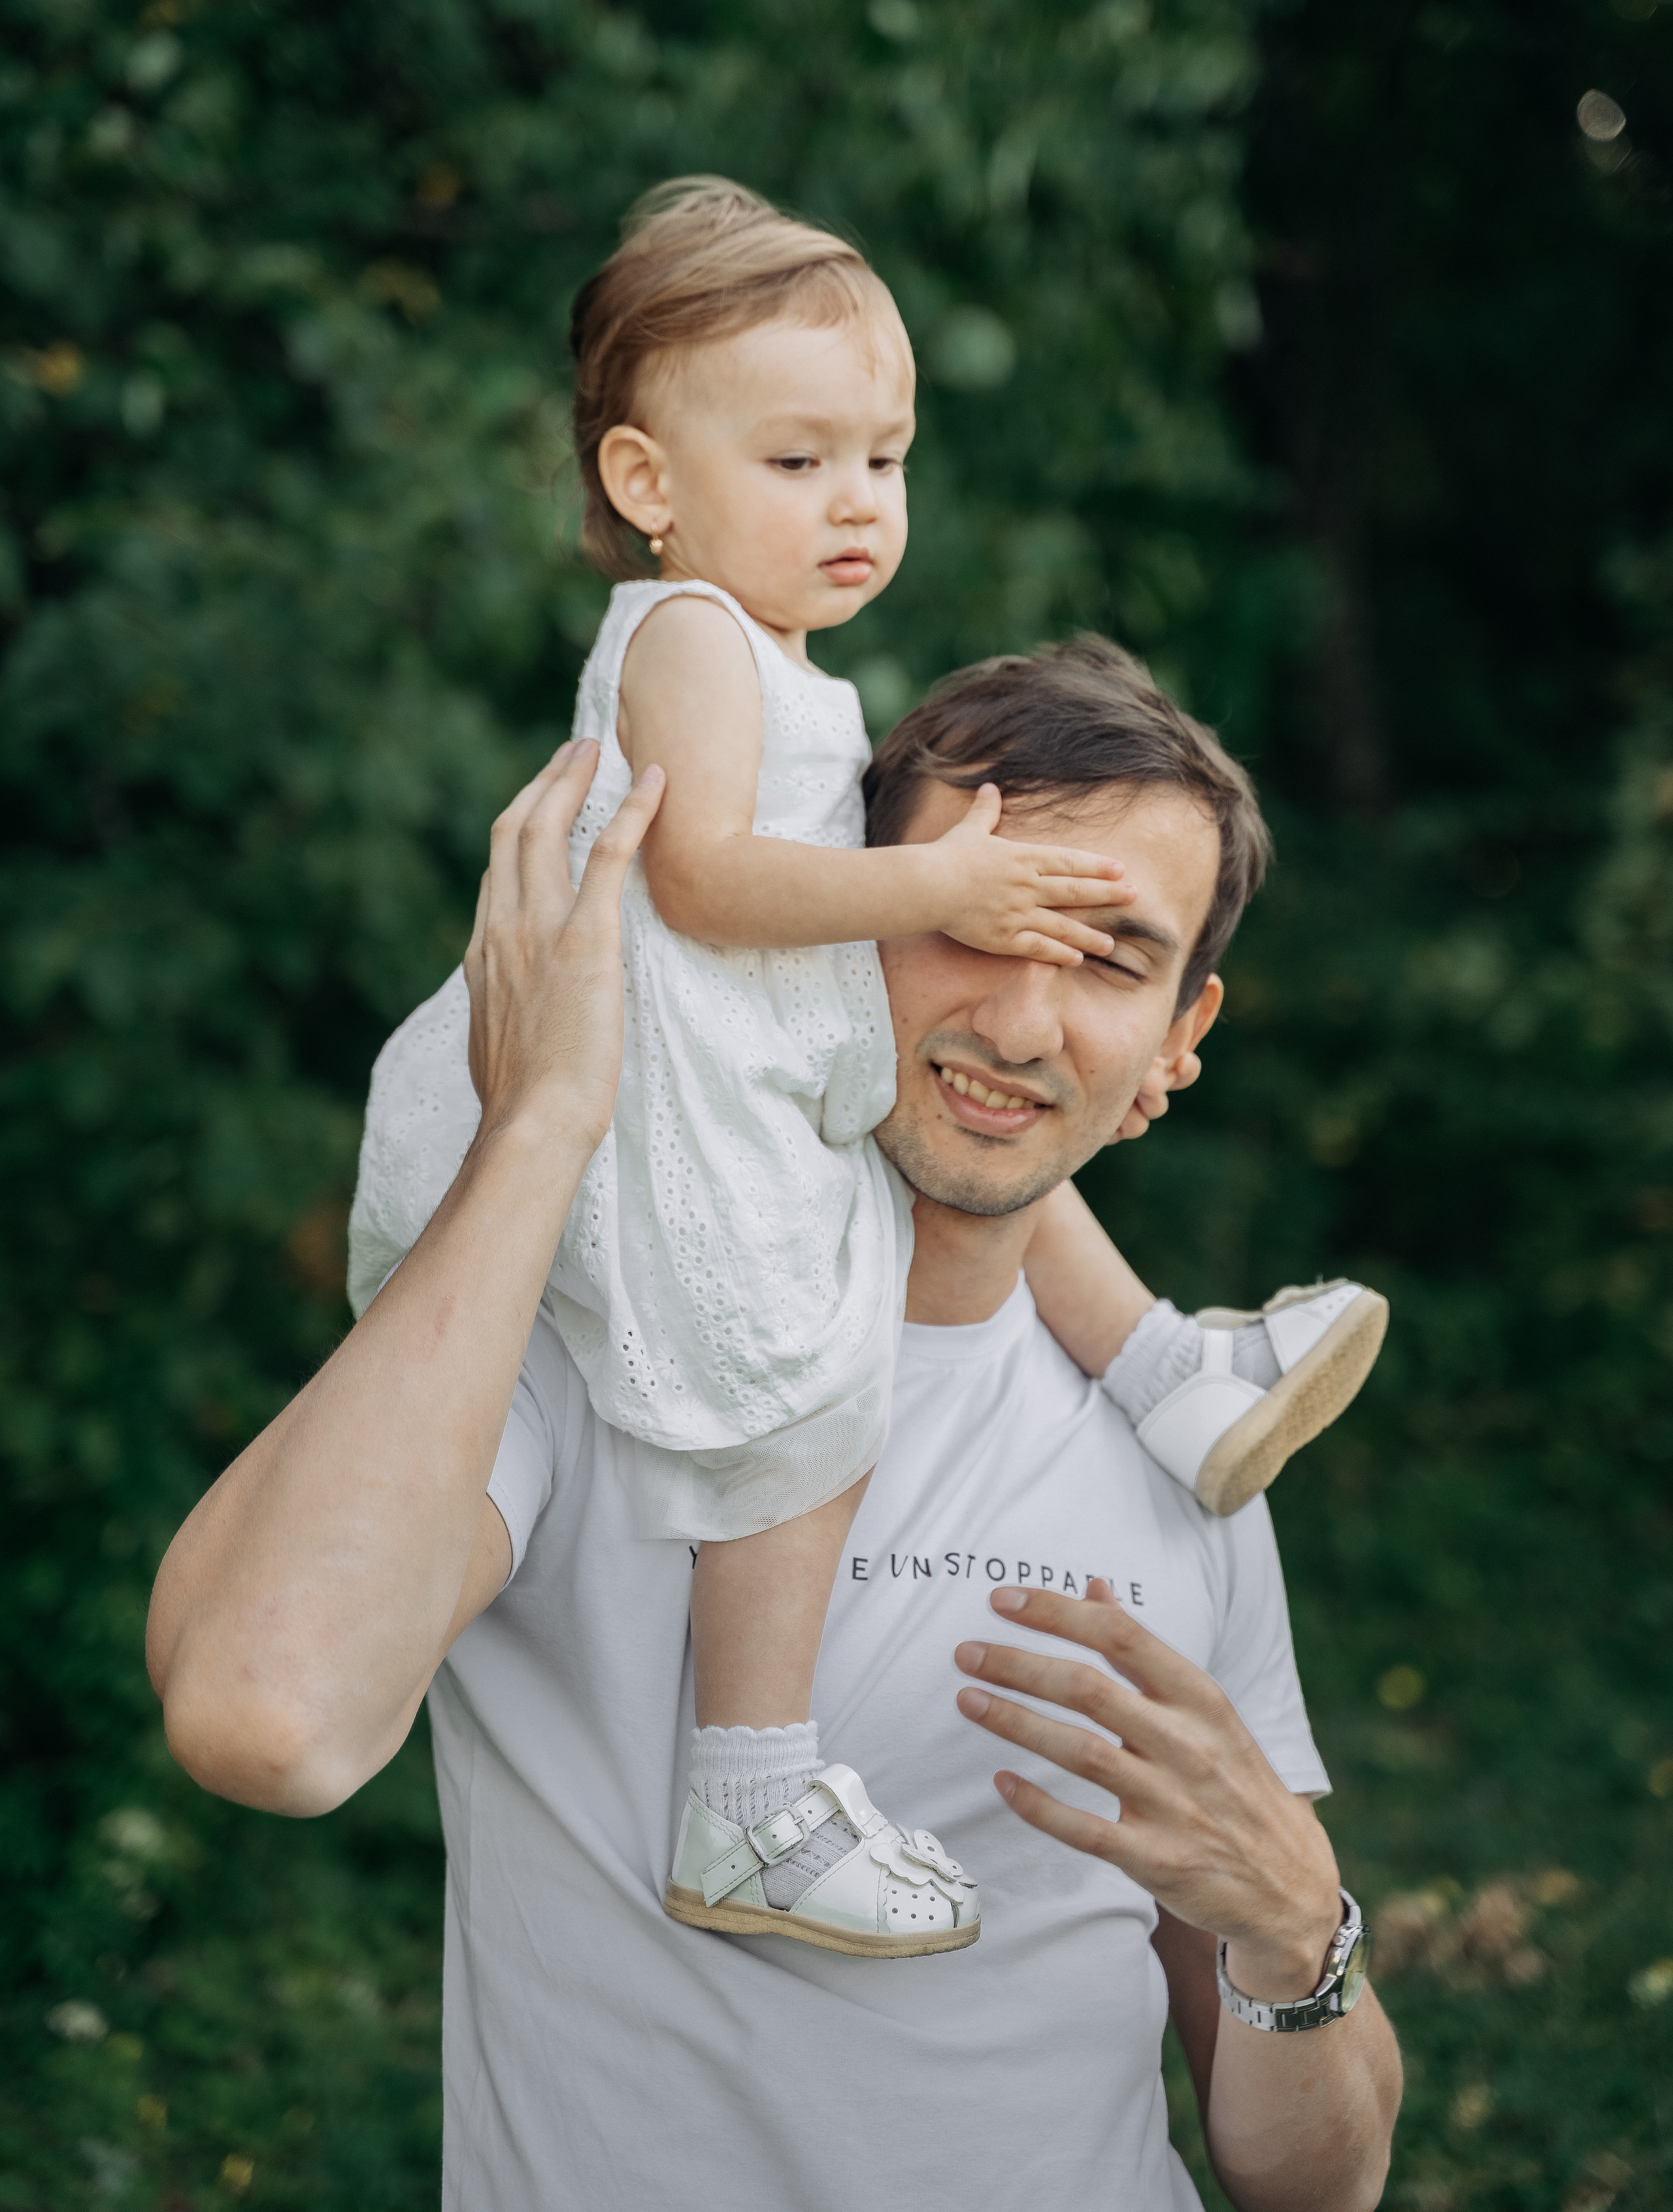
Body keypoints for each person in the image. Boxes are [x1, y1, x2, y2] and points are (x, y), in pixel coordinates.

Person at [147, 639, 1403, 2211]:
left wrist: (1301, 1932)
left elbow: (1318, 2185)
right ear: (830, 911)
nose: (1021, 1022)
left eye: (1104, 957)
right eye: (963, 913)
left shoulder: (1184, 1466)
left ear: (1178, 1033)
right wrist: (542, 1120)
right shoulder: (582, 1361)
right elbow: (261, 1714)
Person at [343, 176, 1387, 1956]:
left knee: (940, 1115)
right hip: (638, 1096)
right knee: (821, 1384)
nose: (857, 504)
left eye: (883, 461)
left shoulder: (772, 660)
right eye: (800, 461)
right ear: (646, 485)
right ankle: (749, 1790)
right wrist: (944, 880)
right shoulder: (686, 640)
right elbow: (708, 880)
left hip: (734, 1072)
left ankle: (1169, 1384)